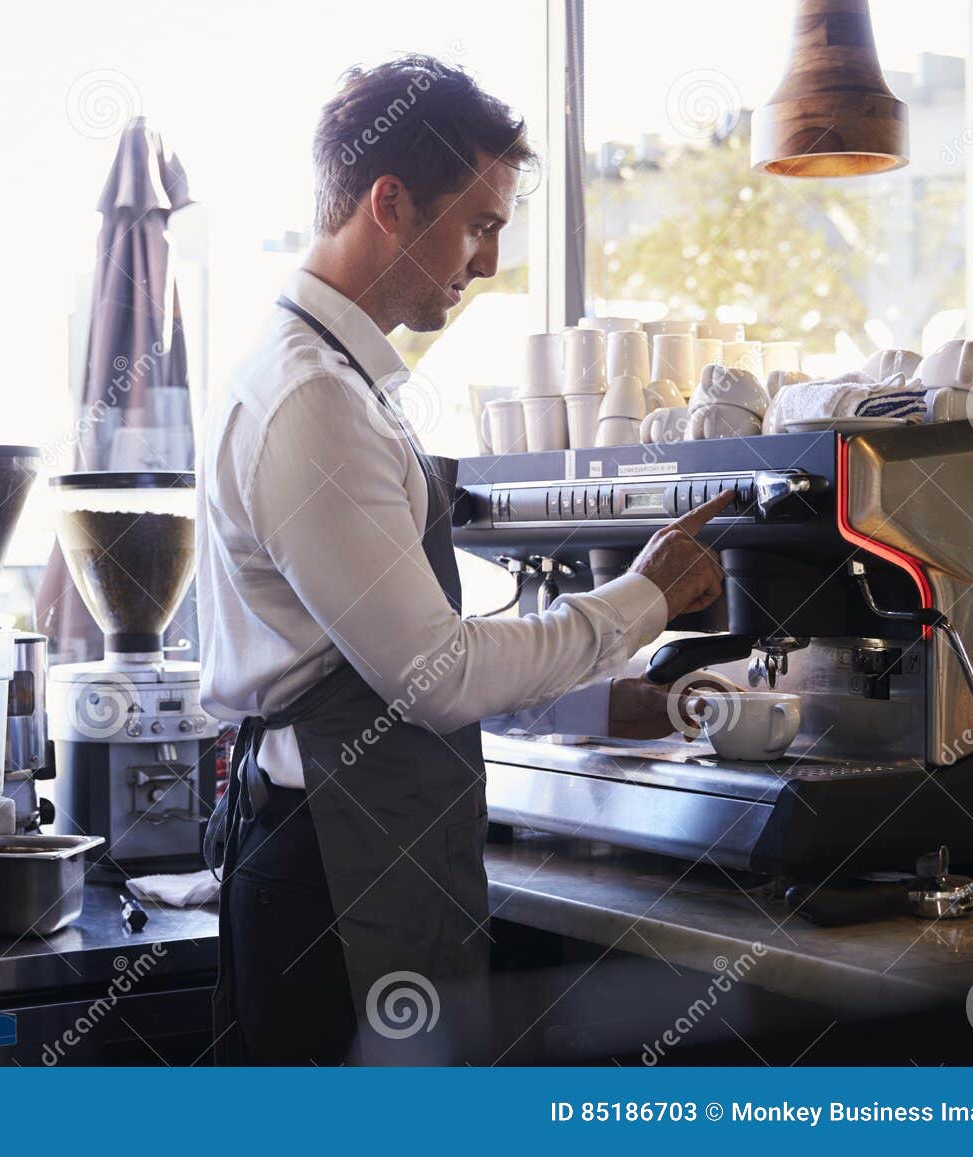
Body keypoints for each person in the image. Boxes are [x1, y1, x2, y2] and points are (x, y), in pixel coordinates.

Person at [196, 54, 730, 1065]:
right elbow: (436, 675)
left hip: (341, 845)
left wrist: (603, 666)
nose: (487, 261)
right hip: (332, 871)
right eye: (479, 224)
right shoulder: (313, 400)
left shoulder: (322, 379)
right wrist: (640, 599)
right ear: (389, 203)